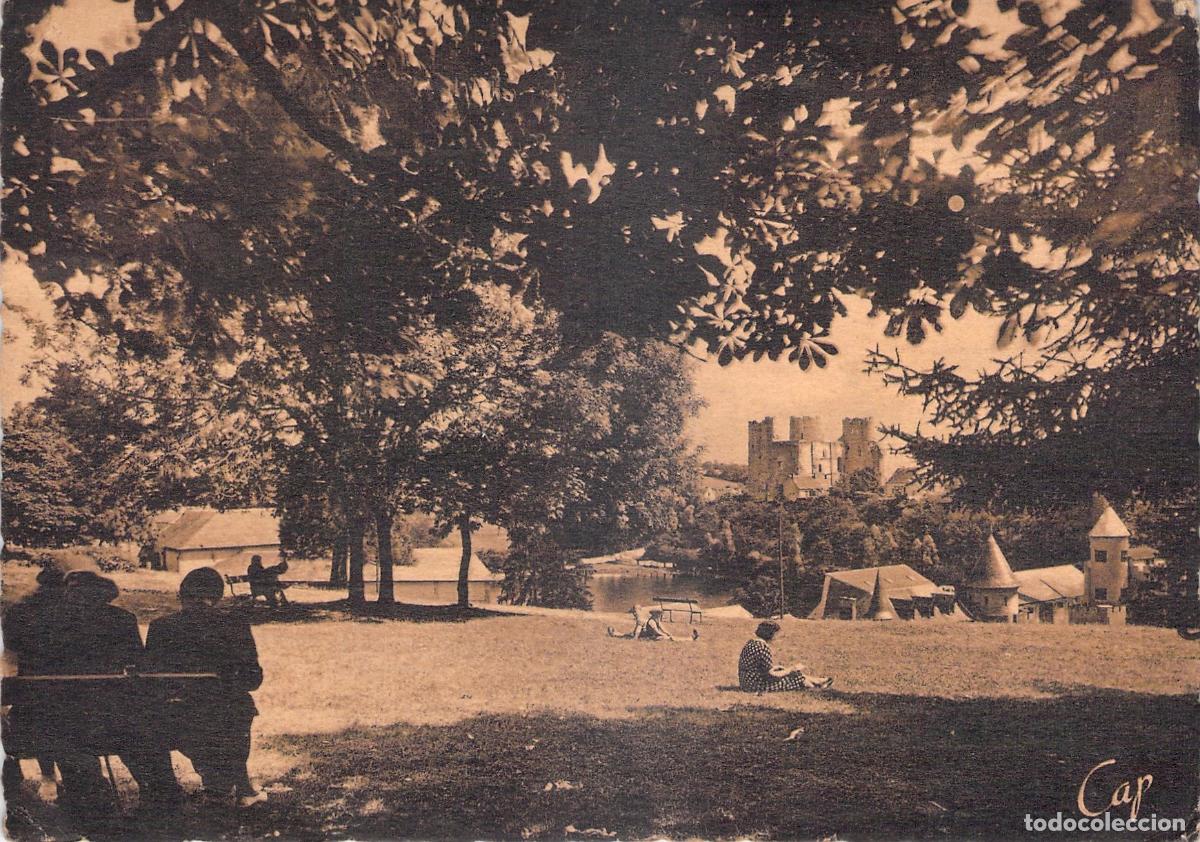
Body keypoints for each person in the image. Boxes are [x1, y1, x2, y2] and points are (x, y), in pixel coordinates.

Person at [142, 567, 266, 807]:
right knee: (237, 709)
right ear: (218, 595)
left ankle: (220, 784)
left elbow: (151, 677)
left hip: (174, 713)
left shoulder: (160, 626)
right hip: (225, 713)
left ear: (181, 594)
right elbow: (253, 679)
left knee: (208, 719)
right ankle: (236, 787)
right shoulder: (234, 624)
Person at [2, 562, 67, 803]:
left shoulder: (19, 614)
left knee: (28, 712)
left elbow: (10, 656)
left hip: (31, 712)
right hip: (77, 712)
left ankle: (37, 778)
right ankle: (54, 777)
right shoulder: (73, 616)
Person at [738, 620, 832, 693]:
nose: (777, 637)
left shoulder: (751, 643)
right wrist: (791, 669)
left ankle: (818, 681)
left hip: (746, 682)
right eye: (776, 634)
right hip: (756, 685)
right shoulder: (763, 647)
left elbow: (757, 668)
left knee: (787, 672)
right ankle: (817, 685)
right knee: (795, 676)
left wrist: (776, 668)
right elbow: (771, 675)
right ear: (770, 634)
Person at [607, 605, 699, 641]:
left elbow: (662, 628)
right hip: (650, 636)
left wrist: (667, 633)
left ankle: (614, 633)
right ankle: (690, 638)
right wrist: (665, 635)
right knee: (672, 639)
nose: (660, 615)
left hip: (649, 635)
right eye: (659, 614)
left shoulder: (656, 620)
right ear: (655, 614)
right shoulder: (651, 621)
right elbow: (656, 631)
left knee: (627, 635)